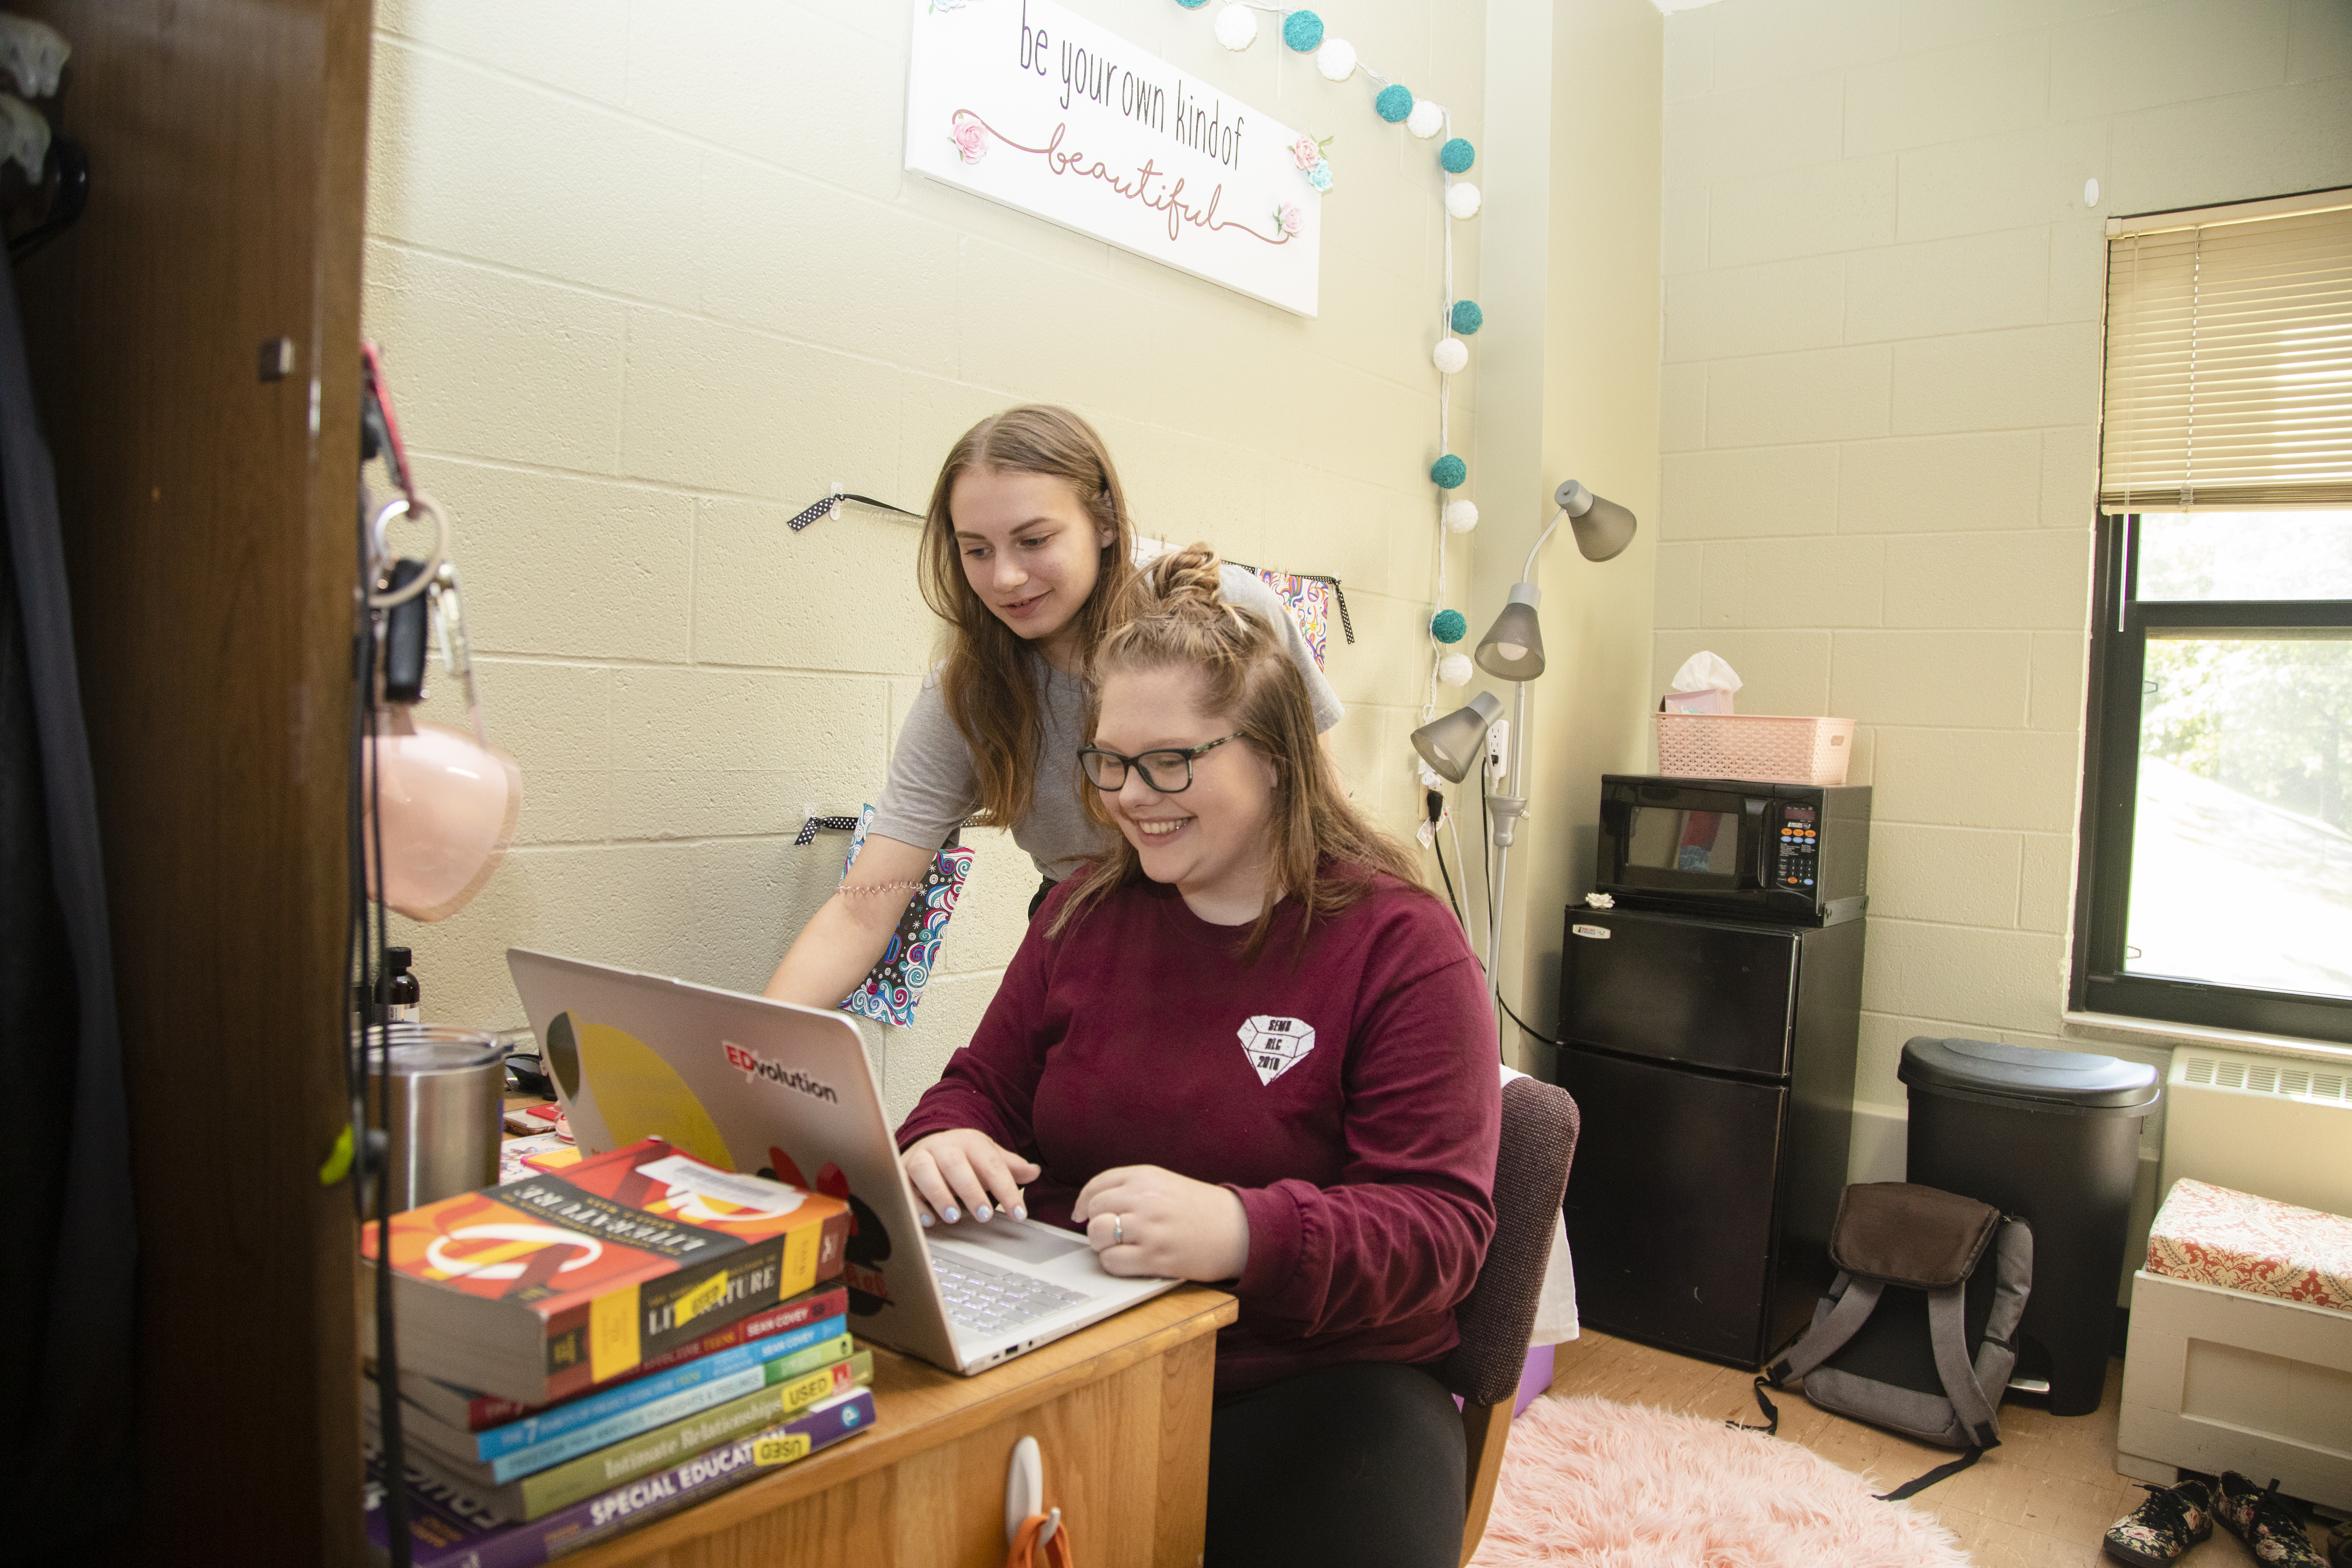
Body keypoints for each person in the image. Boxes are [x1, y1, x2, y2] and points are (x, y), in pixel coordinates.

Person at [893, 546, 1499, 1568]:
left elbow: (1439, 1231)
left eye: (1171, 761)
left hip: (1316, 1384)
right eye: (1109, 762)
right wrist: (939, 1140)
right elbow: (977, 1090)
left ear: (1274, 755)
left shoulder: (1399, 945)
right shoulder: (1082, 915)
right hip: (1086, 1345)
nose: (1132, 796)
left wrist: (1240, 1230)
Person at [764, 405, 1342, 1008]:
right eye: (976, 550)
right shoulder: (966, 692)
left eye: (1034, 541)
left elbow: (1323, 805)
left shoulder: (1223, 608)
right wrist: (756, 1053)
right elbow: (863, 911)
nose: (1006, 577)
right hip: (1086, 931)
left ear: (1106, 523)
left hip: (1254, 927)